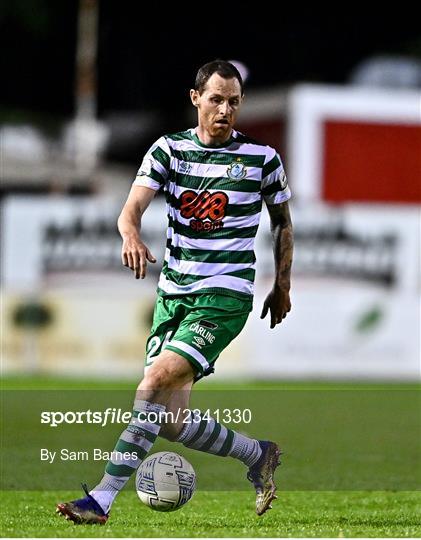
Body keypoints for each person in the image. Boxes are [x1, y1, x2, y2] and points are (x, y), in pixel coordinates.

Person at [56, 59, 293, 524]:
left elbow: (283, 223)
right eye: (217, 100)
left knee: (153, 383)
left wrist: (282, 284)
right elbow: (131, 208)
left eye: (234, 102)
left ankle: (101, 499)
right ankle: (257, 454)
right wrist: (130, 234)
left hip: (224, 296)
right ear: (195, 99)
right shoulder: (169, 151)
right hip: (173, 295)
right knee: (170, 421)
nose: (226, 110)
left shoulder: (263, 159)